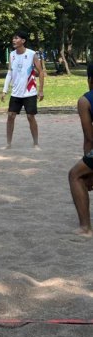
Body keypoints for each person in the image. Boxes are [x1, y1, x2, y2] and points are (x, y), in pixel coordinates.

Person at [0, 29, 44, 148]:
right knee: (10, 116)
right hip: (16, 93)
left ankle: (36, 143)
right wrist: (4, 90)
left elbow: (41, 72)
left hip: (30, 92)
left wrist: (41, 90)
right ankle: (8, 144)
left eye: (16, 38)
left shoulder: (31, 54)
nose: (13, 40)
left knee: (30, 117)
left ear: (23, 41)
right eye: (13, 38)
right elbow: (10, 72)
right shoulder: (12, 54)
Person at [68, 63, 93, 236]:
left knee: (75, 175)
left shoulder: (85, 100)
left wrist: (89, 169)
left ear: (90, 80)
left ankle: (85, 228)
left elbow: (89, 138)